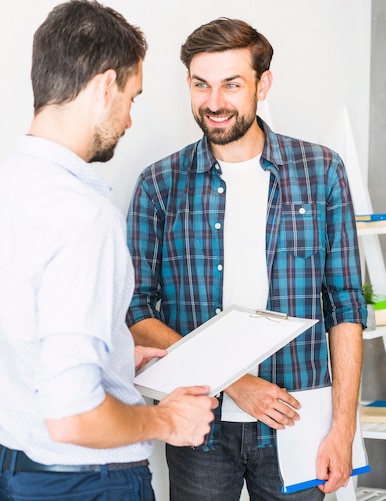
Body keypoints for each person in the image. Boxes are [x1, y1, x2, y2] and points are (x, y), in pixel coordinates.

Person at [0, 2, 218, 500]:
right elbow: (72, 418)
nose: (130, 120)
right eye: (132, 98)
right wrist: (166, 419)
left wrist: (113, 355)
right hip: (86, 482)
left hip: (12, 474)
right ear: (103, 87)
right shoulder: (84, 216)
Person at [126, 17, 366, 501]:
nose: (214, 102)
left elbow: (344, 305)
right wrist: (236, 382)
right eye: (200, 84)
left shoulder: (321, 173)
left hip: (300, 423)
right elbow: (136, 312)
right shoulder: (159, 185)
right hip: (198, 428)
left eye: (231, 84)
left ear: (263, 83)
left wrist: (342, 428)